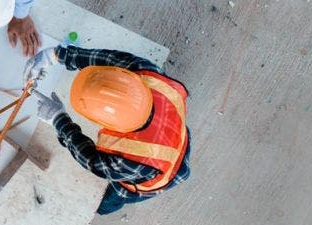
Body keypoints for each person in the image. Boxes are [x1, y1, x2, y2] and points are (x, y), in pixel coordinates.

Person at [23, 46, 191, 215]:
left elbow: (91, 160)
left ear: (106, 123)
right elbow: (110, 59)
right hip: (176, 134)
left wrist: (58, 120)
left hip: (161, 176)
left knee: (112, 197)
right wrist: (54, 56)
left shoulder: (128, 159)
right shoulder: (146, 74)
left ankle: (102, 209)